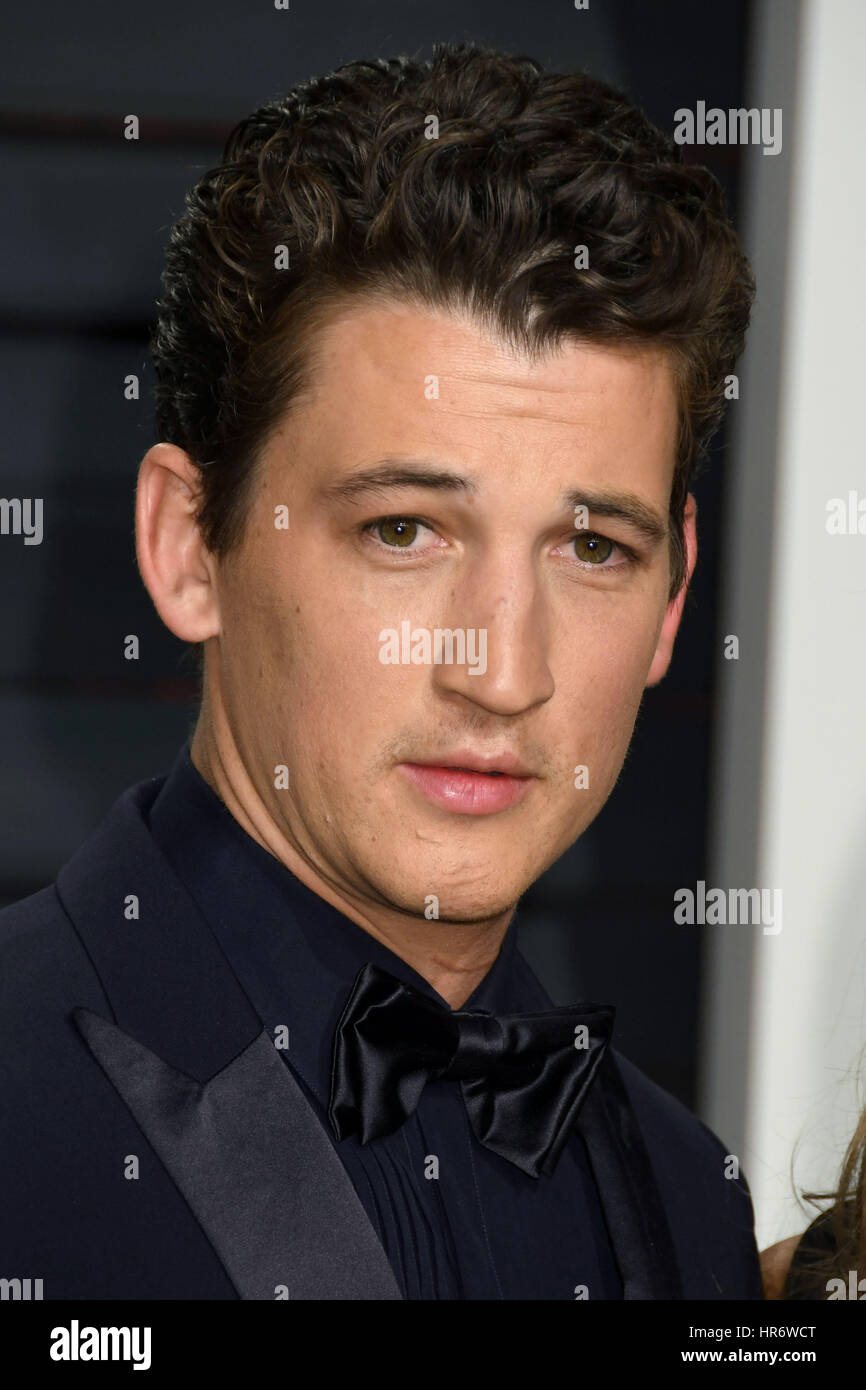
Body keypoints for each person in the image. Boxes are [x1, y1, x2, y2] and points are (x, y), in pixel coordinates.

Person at [0, 41, 762, 1300]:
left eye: (590, 545)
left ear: (674, 590)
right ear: (189, 546)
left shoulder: (690, 1204)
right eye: (403, 529)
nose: (501, 671)